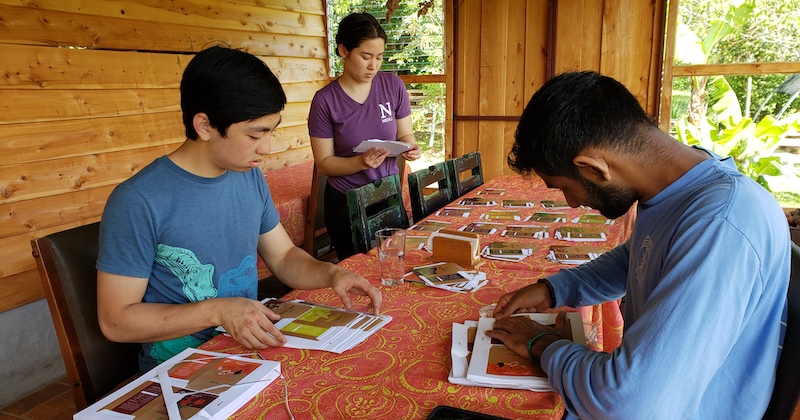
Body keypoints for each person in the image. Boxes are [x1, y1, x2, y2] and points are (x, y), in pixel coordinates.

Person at [485, 71, 790, 419]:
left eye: (562, 187)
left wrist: (540, 343)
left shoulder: (719, 223)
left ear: (594, 168)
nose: (569, 203)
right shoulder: (677, 188)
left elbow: (628, 403)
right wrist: (553, 289)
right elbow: (638, 257)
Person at [96, 46, 382, 372]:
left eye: (271, 130)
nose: (267, 147)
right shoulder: (138, 200)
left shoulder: (247, 176)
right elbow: (115, 321)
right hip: (183, 372)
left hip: (249, 350)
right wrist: (218, 311)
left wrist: (332, 273)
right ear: (204, 126)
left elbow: (284, 257)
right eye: (255, 134)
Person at [308, 12, 421, 260]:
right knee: (358, 272)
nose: (374, 66)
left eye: (379, 57)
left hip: (387, 194)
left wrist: (411, 147)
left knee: (395, 264)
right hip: (346, 201)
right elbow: (324, 162)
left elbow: (405, 133)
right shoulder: (325, 101)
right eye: (366, 57)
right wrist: (361, 162)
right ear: (344, 51)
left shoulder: (392, 86)